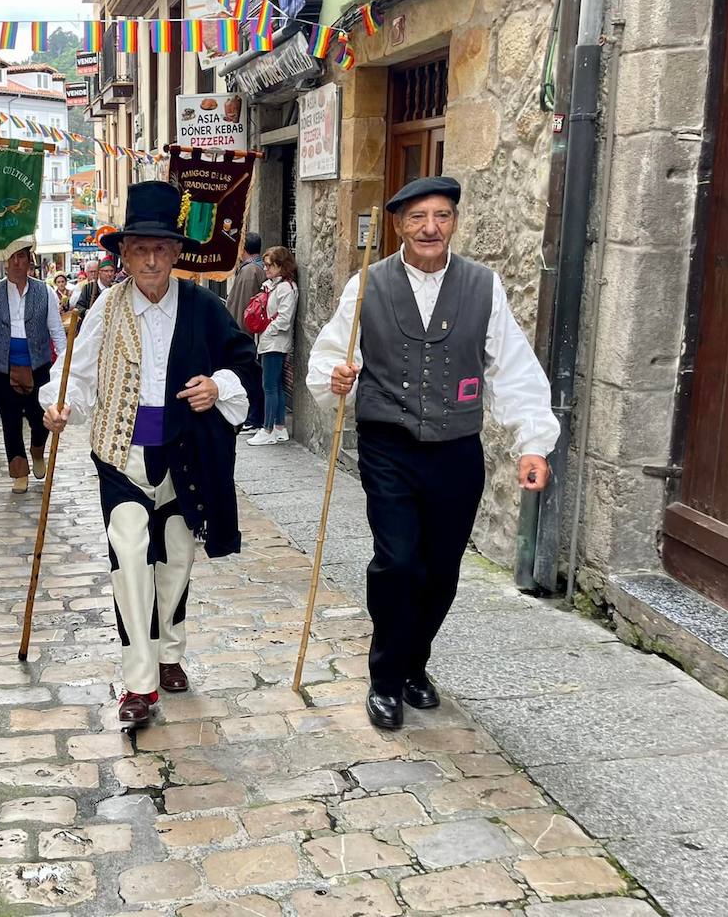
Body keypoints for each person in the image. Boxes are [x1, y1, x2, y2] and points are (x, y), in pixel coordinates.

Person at [306, 176, 558, 731]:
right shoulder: (366, 284)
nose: (430, 228)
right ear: (399, 225)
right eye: (419, 218)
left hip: (456, 449)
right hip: (388, 446)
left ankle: (416, 664)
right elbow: (329, 355)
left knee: (441, 570)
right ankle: (386, 677)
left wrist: (532, 442)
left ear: (454, 223)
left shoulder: (482, 286)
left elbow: (512, 367)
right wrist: (338, 376)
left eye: (441, 216)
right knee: (397, 561)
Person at [42, 182, 261, 723]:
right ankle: (138, 683)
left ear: (177, 253)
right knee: (131, 556)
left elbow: (246, 368)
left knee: (177, 561)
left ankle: (169, 652)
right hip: (122, 455)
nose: (151, 260)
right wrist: (58, 405)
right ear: (124, 254)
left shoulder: (206, 309)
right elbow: (74, 375)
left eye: (162, 249)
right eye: (140, 248)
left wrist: (219, 387)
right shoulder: (103, 310)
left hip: (187, 453)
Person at [0, 244, 67, 493]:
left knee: (40, 416)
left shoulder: (44, 291)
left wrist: (64, 363)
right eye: (12, 258)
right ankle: (19, 471)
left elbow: (55, 328)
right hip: (3, 365)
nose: (17, 262)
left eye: (21, 257)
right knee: (10, 421)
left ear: (29, 261)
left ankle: (38, 450)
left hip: (38, 363)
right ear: (5, 262)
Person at [247, 246, 299, 446]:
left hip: (274, 343)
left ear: (281, 266)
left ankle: (267, 429)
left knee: (268, 386)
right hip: (271, 342)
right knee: (275, 385)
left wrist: (266, 332)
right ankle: (279, 427)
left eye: (270, 265)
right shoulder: (276, 286)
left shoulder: (285, 288)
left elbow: (284, 319)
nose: (266, 268)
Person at [225, 233, 266, 430]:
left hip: (247, 334)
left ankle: (254, 417)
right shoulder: (254, 269)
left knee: (252, 378)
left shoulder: (250, 271)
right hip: (249, 333)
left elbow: (244, 305)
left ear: (244, 249)